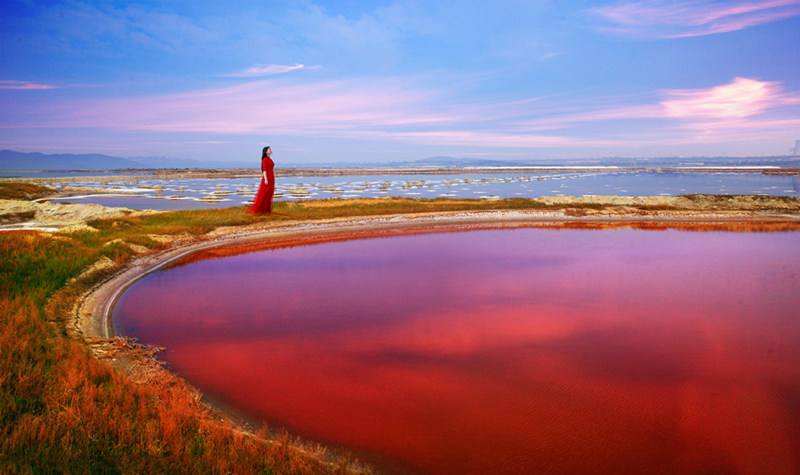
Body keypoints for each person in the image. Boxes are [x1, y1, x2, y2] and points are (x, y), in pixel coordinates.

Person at [249, 146, 275, 214]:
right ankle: (259, 210)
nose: (271, 150)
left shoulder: (270, 159)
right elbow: (264, 170)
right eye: (269, 149)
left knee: (269, 193)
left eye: (270, 149)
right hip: (267, 177)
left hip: (271, 177)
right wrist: (266, 179)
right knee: (264, 193)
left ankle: (266, 210)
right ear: (266, 151)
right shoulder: (264, 159)